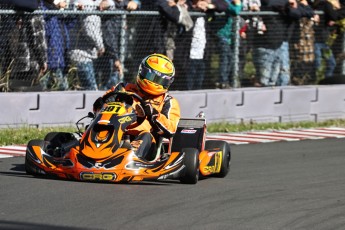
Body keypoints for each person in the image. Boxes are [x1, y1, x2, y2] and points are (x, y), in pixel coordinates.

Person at [93, 53, 181, 160]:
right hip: (114, 132)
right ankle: (90, 151)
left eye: (159, 80)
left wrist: (153, 115)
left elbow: (170, 130)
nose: (153, 81)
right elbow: (98, 110)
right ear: (142, 72)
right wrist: (102, 103)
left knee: (146, 135)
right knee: (94, 127)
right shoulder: (123, 88)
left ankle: (130, 158)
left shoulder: (168, 101)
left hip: (145, 143)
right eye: (150, 76)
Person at [215, 0, 242, 89]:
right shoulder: (225, 2)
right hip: (223, 35)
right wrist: (238, 3)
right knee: (225, 58)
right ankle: (223, 81)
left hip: (230, 36)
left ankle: (228, 80)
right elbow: (236, 10)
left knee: (229, 58)